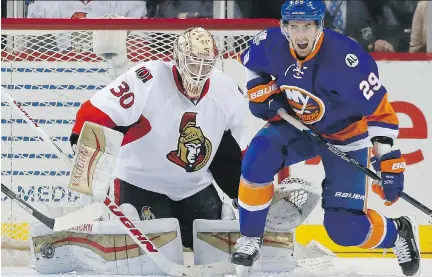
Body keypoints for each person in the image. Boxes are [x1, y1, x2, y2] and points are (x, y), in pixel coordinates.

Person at [231, 1, 420, 276]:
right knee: (257, 157)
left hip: (346, 136)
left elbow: (382, 114)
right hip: (298, 126)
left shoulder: (347, 59)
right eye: (294, 26)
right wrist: (257, 86)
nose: (300, 34)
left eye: (307, 26)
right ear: (284, 27)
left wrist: (386, 158)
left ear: (320, 26)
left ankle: (398, 232)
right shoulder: (271, 42)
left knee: (345, 230)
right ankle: (249, 238)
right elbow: (250, 63)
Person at [69, 26, 246, 249]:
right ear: (178, 59)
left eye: (206, 64)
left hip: (194, 186)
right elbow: (97, 111)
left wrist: (245, 192)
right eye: (192, 63)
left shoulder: (227, 90)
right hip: (142, 182)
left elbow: (232, 150)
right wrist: (81, 143)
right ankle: (116, 214)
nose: (198, 72)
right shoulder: (147, 79)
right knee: (155, 247)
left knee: (215, 243)